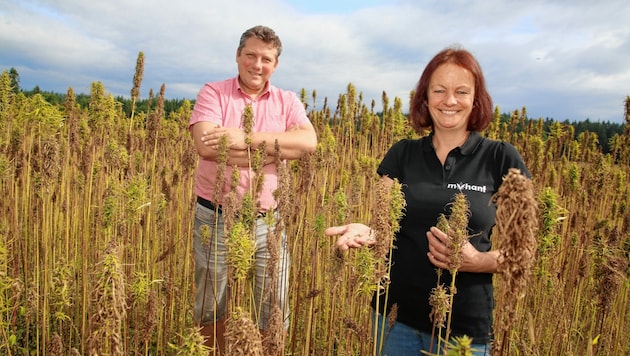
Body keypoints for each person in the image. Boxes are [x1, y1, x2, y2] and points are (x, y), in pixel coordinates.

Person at [325, 46, 530, 356]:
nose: (449, 100)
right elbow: (391, 227)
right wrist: (371, 234)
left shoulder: (501, 158)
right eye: (439, 90)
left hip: (463, 329)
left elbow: (525, 251)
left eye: (461, 91)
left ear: (476, 99)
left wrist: (479, 262)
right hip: (393, 320)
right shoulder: (402, 153)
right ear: (425, 97)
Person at [189, 25, 317, 354]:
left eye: (266, 59)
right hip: (215, 217)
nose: (257, 65)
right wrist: (276, 150)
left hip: (268, 222)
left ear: (275, 64)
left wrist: (243, 140)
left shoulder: (287, 101)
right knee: (211, 302)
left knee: (273, 305)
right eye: (250, 56)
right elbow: (206, 147)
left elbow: (307, 143)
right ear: (237, 56)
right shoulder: (213, 93)